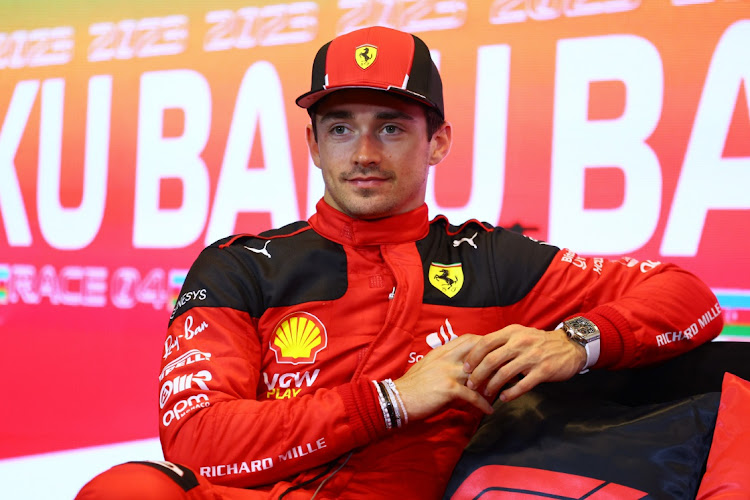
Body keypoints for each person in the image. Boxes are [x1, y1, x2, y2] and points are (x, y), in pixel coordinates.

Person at [76, 25, 723, 500]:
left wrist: (575, 342)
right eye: (339, 127)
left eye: (390, 127)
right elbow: (199, 440)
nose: (362, 152)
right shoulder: (241, 267)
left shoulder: (491, 260)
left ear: (437, 141)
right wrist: (392, 401)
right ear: (312, 144)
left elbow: (691, 297)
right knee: (125, 489)